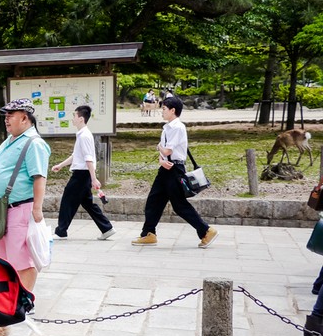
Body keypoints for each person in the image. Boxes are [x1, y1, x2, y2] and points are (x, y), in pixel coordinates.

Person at [0, 98, 50, 292]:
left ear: (24, 118)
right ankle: (12, 298)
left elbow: (39, 177)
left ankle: (25, 299)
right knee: (6, 260)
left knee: (22, 259)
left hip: (19, 207)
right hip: (3, 208)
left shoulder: (34, 143)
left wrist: (37, 208)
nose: (6, 119)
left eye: (11, 115)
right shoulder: (11, 140)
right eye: (5, 115)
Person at [132, 97, 218, 248]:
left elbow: (166, 150)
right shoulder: (167, 128)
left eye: (164, 109)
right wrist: (161, 160)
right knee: (154, 201)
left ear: (173, 110)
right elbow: (163, 153)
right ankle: (148, 234)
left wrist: (159, 148)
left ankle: (206, 231)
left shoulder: (178, 127)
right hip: (165, 169)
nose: (162, 111)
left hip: (174, 170)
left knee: (179, 205)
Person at [51, 105, 114, 240]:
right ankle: (106, 228)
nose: (72, 118)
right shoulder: (82, 134)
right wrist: (61, 165)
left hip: (81, 174)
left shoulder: (84, 135)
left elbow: (88, 158)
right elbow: (76, 155)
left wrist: (94, 178)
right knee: (87, 203)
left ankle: (61, 231)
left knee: (67, 200)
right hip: (83, 174)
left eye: (74, 115)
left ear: (81, 118)